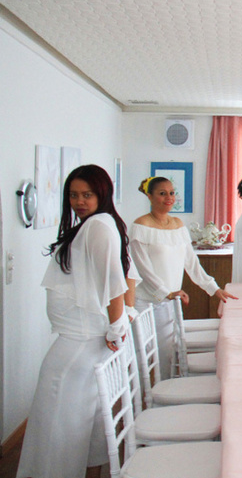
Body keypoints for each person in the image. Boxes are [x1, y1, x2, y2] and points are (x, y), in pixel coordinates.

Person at [18, 165, 134, 478]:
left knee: (55, 428)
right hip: (84, 343)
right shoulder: (97, 224)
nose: (79, 201)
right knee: (86, 423)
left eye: (87, 194)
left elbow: (115, 284)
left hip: (78, 345)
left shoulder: (98, 226)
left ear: (102, 194)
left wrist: (117, 329)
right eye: (73, 195)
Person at [130, 176, 236, 379]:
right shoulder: (140, 226)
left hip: (171, 300)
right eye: (162, 193)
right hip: (148, 300)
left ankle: (166, 388)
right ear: (149, 196)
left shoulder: (178, 225)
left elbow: (191, 262)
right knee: (146, 354)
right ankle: (148, 392)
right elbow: (143, 269)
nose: (169, 198)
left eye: (172, 193)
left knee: (168, 353)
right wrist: (166, 292)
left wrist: (214, 288)